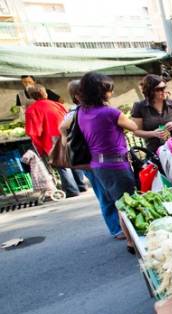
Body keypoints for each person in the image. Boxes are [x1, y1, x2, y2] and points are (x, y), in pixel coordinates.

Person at [77, 72, 138, 240]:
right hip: (116, 165)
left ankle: (127, 237)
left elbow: (63, 127)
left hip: (98, 165)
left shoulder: (82, 111)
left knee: (118, 203)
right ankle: (132, 242)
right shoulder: (110, 112)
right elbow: (134, 126)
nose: (111, 93)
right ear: (101, 92)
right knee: (127, 203)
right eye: (109, 90)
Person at [59, 80, 119, 237]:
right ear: (77, 96)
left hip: (102, 159)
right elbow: (62, 128)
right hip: (90, 161)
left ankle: (121, 226)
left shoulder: (90, 110)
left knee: (111, 192)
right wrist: (68, 143)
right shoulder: (76, 113)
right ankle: (116, 228)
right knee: (104, 194)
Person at [24, 84, 87, 198]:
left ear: (32, 97)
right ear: (45, 93)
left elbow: (34, 132)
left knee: (62, 164)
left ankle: (72, 190)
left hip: (51, 139)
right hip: (69, 135)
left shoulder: (31, 110)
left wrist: (39, 148)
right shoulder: (58, 105)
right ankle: (81, 185)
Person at [130, 74, 172, 156]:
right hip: (156, 152)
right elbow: (136, 131)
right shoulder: (140, 106)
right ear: (150, 91)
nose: (164, 91)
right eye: (159, 89)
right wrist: (153, 133)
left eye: (164, 88)